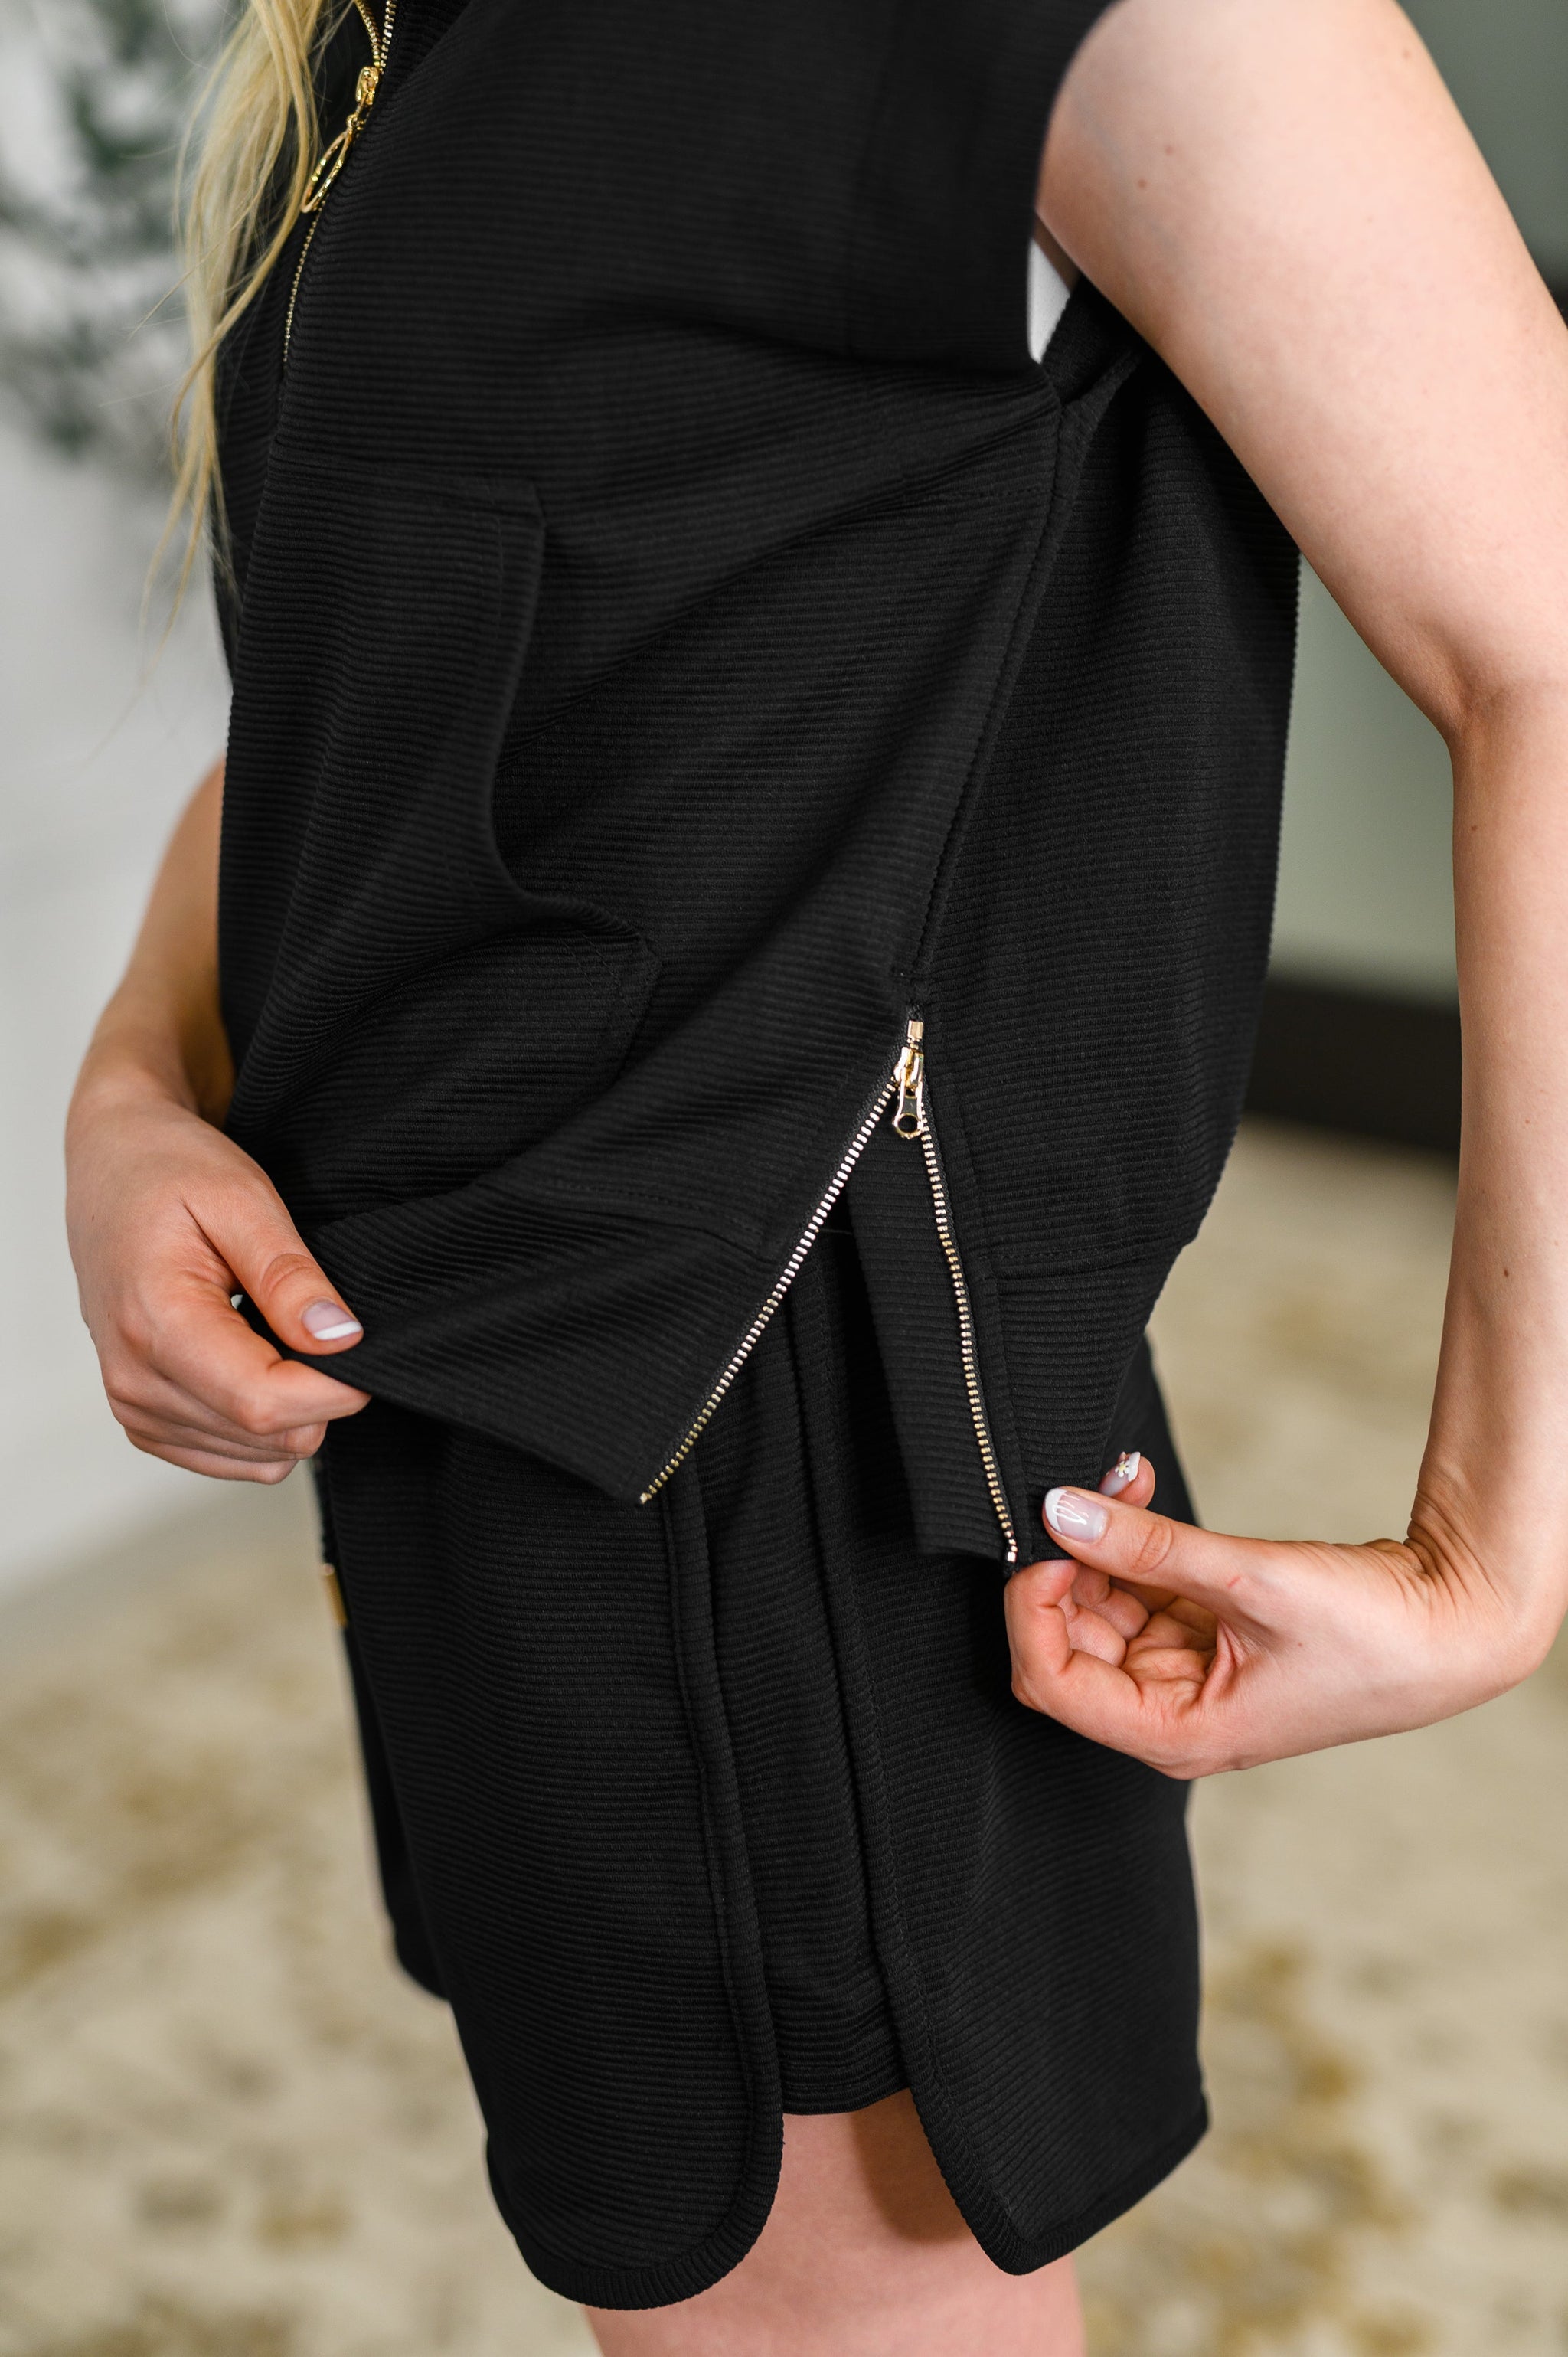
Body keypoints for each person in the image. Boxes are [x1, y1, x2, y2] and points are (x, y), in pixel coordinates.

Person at [64, 0, 1568, 2347]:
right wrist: (139, 1078)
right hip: (469, 1424)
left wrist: (1496, 1551)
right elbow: (378, 674)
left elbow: (1546, 644)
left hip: (788, 1451)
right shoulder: (370, 32)